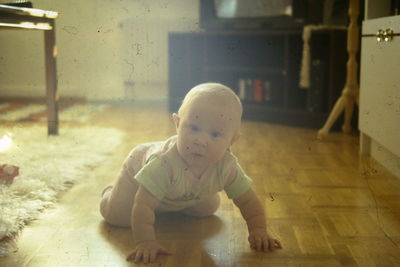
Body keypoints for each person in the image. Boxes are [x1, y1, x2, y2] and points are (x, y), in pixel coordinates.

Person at [99, 83, 282, 264]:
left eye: (216, 135)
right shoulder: (162, 164)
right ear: (177, 124)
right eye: (193, 128)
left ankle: (168, 203)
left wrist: (259, 230)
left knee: (207, 209)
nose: (201, 141)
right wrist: (145, 242)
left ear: (232, 141)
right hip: (138, 178)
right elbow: (142, 206)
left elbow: (248, 201)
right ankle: (110, 192)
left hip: (178, 191)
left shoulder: (227, 167)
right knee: (119, 217)